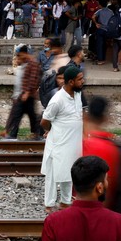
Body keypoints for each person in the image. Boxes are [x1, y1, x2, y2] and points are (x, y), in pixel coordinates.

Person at [41, 66, 84, 214]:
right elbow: (44, 121)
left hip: (73, 143)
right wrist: (52, 130)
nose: (83, 81)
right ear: (71, 81)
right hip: (59, 143)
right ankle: (49, 204)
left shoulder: (77, 94)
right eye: (80, 79)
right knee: (53, 175)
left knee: (69, 172)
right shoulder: (57, 100)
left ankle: (65, 202)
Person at [82, 97, 120, 210]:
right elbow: (110, 184)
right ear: (105, 119)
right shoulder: (111, 147)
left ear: (87, 117)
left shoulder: (82, 144)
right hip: (100, 208)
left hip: (83, 207)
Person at [7, 44, 41, 140]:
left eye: (21, 55)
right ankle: (15, 133)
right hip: (25, 94)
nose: (20, 57)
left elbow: (33, 79)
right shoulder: (27, 63)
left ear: (25, 53)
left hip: (28, 95)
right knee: (24, 114)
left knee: (28, 115)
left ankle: (34, 133)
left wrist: (27, 92)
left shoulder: (33, 63)